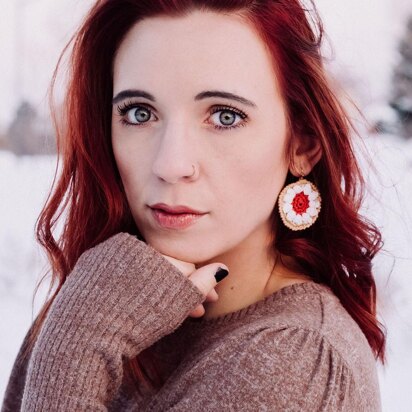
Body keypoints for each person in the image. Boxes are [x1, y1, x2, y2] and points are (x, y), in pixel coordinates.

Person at [1, 0, 385, 411]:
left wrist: (77, 345)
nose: (171, 165)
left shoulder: (294, 363)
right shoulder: (103, 303)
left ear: (302, 144)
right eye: (139, 112)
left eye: (224, 117)